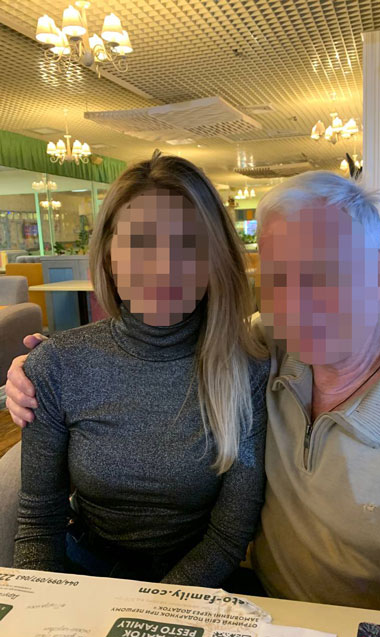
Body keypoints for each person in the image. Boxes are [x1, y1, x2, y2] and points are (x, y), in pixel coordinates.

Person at [6, 171, 380, 623]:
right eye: (279, 278)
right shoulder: (266, 346)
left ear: (379, 271)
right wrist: (38, 371)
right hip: (259, 611)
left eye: (324, 273)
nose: (299, 303)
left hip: (369, 634)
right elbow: (158, 351)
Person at [4, 151, 269, 587]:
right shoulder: (58, 364)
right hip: (86, 572)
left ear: (214, 259)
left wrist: (151, 608)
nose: (163, 266)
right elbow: (39, 521)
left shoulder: (246, 368)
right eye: (140, 242)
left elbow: (228, 536)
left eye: (187, 244)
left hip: (198, 582)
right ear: (109, 254)